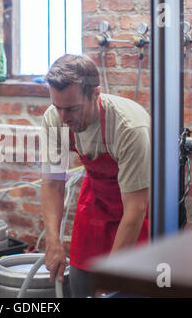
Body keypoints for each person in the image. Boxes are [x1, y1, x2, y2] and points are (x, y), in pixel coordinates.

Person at [41, 54, 150, 297]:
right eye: (58, 107)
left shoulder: (129, 127)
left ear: (96, 93)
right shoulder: (55, 118)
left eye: (72, 108)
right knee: (83, 284)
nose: (64, 117)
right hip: (96, 203)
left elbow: (136, 208)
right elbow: (52, 184)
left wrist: (110, 278)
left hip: (136, 208)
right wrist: (53, 241)